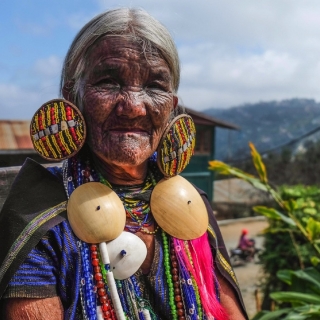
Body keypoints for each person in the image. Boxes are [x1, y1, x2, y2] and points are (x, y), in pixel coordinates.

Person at [0, 8, 248, 320]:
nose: (132, 106)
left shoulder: (191, 206)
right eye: (108, 81)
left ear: (172, 105)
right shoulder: (39, 212)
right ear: (71, 95)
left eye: (155, 86)